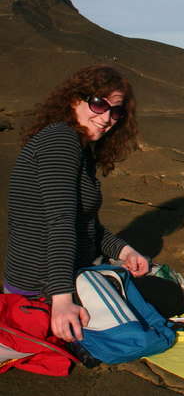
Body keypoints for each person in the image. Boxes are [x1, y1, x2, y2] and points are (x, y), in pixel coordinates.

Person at [4, 66, 150, 343]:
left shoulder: (79, 149)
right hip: (41, 290)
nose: (107, 118)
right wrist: (62, 300)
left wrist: (125, 250)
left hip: (56, 279)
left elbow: (85, 224)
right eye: (98, 104)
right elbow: (59, 222)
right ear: (74, 100)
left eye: (116, 111)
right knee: (137, 332)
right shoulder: (61, 140)